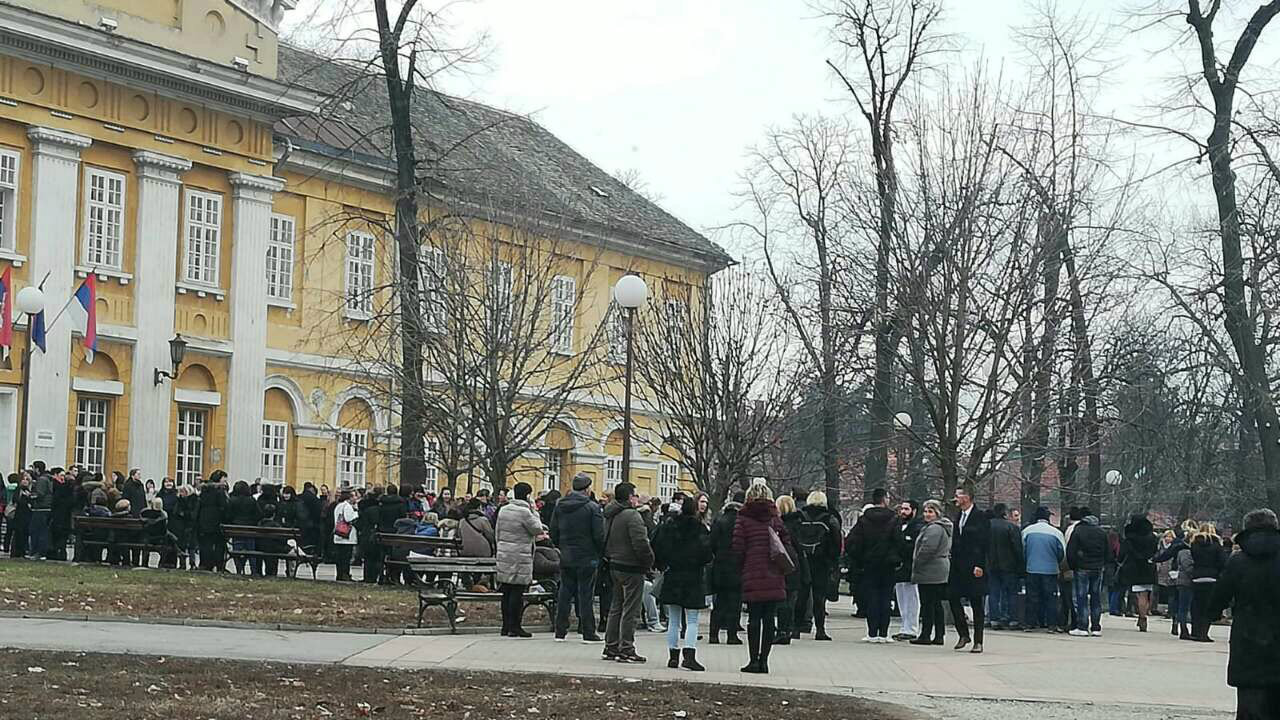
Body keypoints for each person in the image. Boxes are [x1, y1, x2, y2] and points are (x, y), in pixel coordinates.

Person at [1208, 508, 1280, 719]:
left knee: (1250, 703)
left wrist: (1212, 612)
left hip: (1248, 637)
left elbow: (1221, 593)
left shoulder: (1238, 561)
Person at [732, 482, 789, 674]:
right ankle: (764, 661)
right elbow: (786, 544)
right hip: (774, 574)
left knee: (754, 618)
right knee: (769, 618)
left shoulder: (743, 519)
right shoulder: (775, 519)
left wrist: (740, 570)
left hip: (752, 573)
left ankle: (753, 660)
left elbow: (738, 549)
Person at [652, 495, 712, 671]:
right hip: (693, 577)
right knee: (692, 619)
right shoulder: (700, 528)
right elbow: (707, 554)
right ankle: (689, 656)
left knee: (674, 619)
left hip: (673, 575)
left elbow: (659, 548)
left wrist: (664, 564)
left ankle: (673, 656)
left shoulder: (669, 527)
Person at [602, 481, 655, 664]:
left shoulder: (611, 514)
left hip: (614, 564)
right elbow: (640, 543)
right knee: (631, 609)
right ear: (630, 497)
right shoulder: (632, 516)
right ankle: (626, 648)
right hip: (631, 566)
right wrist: (649, 561)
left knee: (616, 607)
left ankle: (611, 645)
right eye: (635, 495)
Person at [550, 473, 605, 643]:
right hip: (587, 556)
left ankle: (560, 631)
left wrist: (562, 547)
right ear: (587, 489)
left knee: (564, 593)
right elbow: (599, 535)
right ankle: (588, 631)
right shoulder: (592, 507)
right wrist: (599, 552)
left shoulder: (560, 506)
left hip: (566, 555)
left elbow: (553, 531)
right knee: (586, 594)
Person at [845, 488, 903, 642]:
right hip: (888, 564)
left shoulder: (864, 519)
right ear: (884, 499)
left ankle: (871, 633)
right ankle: (883, 633)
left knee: (872, 597)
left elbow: (852, 542)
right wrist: (897, 558)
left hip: (869, 563)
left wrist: (859, 558)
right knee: (886, 598)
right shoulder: (894, 518)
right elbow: (899, 541)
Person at [494, 482, 546, 638]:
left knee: (506, 591)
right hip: (520, 555)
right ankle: (515, 626)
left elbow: (497, 532)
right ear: (528, 495)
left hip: (504, 554)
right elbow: (537, 529)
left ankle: (505, 626)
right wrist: (534, 511)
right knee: (517, 591)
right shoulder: (525, 512)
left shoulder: (504, 509)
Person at [795, 490, 842, 641]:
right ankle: (820, 630)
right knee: (819, 597)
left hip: (803, 560)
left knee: (801, 595)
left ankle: (795, 628)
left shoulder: (800, 516)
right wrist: (833, 561)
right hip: (822, 562)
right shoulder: (829, 518)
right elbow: (836, 542)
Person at [948, 485, 989, 653]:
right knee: (952, 597)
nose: (955, 499)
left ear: (967, 497)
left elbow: (984, 542)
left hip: (974, 565)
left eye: (958, 496)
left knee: (976, 602)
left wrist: (980, 565)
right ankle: (963, 634)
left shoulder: (980, 517)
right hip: (958, 565)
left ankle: (978, 641)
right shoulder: (958, 516)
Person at [909, 499, 953, 646]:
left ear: (937, 513)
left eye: (930, 511)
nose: (927, 514)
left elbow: (927, 549)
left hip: (930, 569)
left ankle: (926, 634)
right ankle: (939, 634)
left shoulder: (934, 529)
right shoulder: (941, 527)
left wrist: (917, 563)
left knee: (928, 603)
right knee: (936, 603)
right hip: (938, 569)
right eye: (926, 511)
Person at [1065, 509, 1110, 636]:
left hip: (1082, 567)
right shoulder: (1101, 532)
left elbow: (1071, 551)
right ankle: (1096, 627)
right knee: (1096, 597)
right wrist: (1103, 564)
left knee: (1081, 597)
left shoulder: (1078, 531)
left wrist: (1073, 566)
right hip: (1098, 568)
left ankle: (1082, 626)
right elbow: (1108, 552)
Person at [709, 491, 745, 645]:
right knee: (734, 602)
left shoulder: (719, 520)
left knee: (719, 602)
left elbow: (711, 543)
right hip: (737, 565)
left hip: (720, 565)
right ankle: (732, 635)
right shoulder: (742, 521)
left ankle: (713, 634)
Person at [1022, 506, 1065, 632]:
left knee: (1032, 597)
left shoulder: (1027, 531)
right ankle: (1051, 624)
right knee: (1050, 598)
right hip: (1051, 570)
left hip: (1031, 568)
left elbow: (1022, 549)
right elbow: (1062, 552)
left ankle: (1030, 623)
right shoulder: (1056, 533)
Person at [776, 494, 809, 645]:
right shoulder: (799, 524)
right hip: (796, 565)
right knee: (791, 599)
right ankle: (789, 629)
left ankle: (782, 630)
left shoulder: (780, 526)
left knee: (782, 600)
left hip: (782, 564)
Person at [1118, 512, 1159, 632]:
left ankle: (1141, 616)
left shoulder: (1130, 537)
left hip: (1135, 567)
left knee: (1138, 594)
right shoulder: (1152, 537)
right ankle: (1144, 615)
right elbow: (1155, 551)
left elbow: (1123, 552)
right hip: (1148, 566)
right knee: (1146, 594)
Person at [987, 503, 1024, 631]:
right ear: (1005, 513)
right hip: (1009, 565)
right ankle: (1012, 619)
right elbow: (1017, 548)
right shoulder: (1012, 527)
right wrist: (1021, 566)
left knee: (993, 592)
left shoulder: (987, 526)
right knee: (1011, 593)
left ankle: (994, 619)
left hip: (991, 564)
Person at [1188, 521, 1227, 643]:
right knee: (1208, 606)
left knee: (1196, 606)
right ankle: (1203, 633)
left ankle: (1195, 631)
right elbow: (1223, 562)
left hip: (1197, 577)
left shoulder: (1194, 544)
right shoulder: (1216, 545)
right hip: (1211, 577)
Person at [894, 500, 924, 640]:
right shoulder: (898, 525)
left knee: (911, 598)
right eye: (902, 509)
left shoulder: (917, 527)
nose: (903, 512)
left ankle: (911, 628)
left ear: (914, 511)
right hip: (898, 567)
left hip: (910, 567)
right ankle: (904, 626)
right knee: (901, 598)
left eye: (906, 509)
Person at [226, 480, 263, 575]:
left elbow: (228, 515)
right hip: (250, 530)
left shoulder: (232, 500)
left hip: (236, 530)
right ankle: (253, 570)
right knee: (251, 551)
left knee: (237, 550)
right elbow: (259, 514)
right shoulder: (251, 500)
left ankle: (239, 569)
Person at [195, 478, 228, 571]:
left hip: (204, 520)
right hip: (216, 521)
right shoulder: (219, 493)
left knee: (205, 544)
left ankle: (205, 564)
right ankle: (219, 564)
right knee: (218, 544)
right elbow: (224, 507)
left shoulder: (203, 493)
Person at [332, 488, 359, 581]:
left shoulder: (338, 506)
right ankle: (345, 574)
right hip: (346, 536)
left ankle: (339, 574)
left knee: (339, 558)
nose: (356, 498)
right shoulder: (347, 506)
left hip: (338, 534)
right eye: (354, 496)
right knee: (346, 557)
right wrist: (356, 513)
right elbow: (348, 518)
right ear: (349, 497)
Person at [28, 464, 52, 559]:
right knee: (42, 531)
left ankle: (37, 552)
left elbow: (39, 494)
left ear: (37, 469)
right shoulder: (48, 479)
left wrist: (30, 496)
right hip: (46, 508)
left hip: (40, 508)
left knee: (37, 531)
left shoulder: (41, 480)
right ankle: (41, 552)